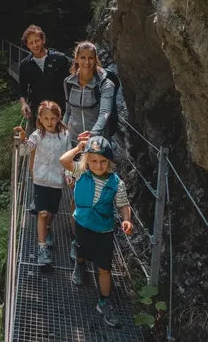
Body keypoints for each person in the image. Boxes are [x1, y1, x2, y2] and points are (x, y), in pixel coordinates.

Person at [59, 135, 133, 328]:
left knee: (104, 267)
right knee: (81, 249)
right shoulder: (81, 172)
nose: (98, 165)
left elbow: (123, 204)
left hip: (103, 231)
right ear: (87, 160)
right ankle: (80, 265)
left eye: (102, 161)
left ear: (109, 162)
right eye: (93, 161)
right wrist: (78, 148)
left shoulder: (117, 183)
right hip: (82, 224)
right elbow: (63, 161)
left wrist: (126, 220)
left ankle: (104, 301)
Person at [62, 41, 116, 258]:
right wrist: (62, 136)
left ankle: (98, 236)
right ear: (76, 59)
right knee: (76, 191)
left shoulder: (106, 84)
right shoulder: (68, 82)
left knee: (98, 193)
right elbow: (68, 111)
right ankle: (78, 241)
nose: (86, 62)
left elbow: (105, 113)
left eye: (90, 58)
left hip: (96, 147)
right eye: (82, 58)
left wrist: (93, 134)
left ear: (96, 59)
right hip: (75, 143)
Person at [14, 101, 71, 267]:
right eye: (45, 118)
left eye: (53, 118)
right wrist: (23, 139)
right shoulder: (38, 135)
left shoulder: (65, 135)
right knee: (43, 212)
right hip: (40, 180)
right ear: (40, 118)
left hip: (57, 181)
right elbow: (24, 151)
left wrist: (68, 175)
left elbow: (68, 157)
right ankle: (42, 247)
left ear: (59, 118)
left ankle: (47, 229)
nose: (49, 122)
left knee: (52, 212)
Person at [18, 25, 71, 134]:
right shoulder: (25, 65)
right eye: (31, 43)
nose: (34, 45)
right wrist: (24, 104)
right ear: (27, 45)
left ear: (43, 40)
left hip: (61, 110)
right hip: (38, 113)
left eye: (37, 41)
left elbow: (71, 83)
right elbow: (22, 89)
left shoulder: (60, 58)